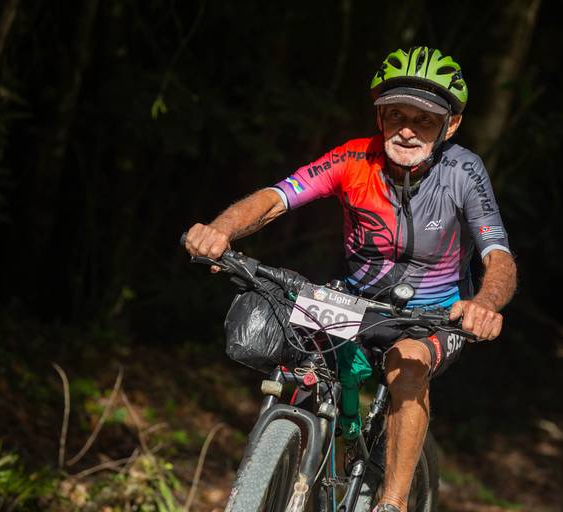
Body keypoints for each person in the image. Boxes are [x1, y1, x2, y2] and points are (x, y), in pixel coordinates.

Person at [184, 46, 517, 512]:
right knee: (296, 350)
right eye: (396, 115)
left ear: (451, 125)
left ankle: (392, 502)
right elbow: (278, 196)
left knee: (406, 366)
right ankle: (298, 455)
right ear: (380, 116)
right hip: (357, 302)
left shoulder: (463, 171)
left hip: (433, 317)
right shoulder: (354, 157)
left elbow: (498, 257)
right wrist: (221, 230)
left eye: (424, 120)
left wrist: (485, 304)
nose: (407, 130)